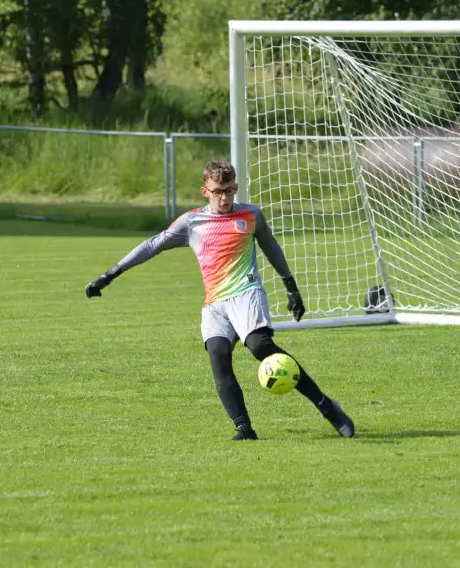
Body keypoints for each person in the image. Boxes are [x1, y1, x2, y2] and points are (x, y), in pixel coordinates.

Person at [85, 160, 354, 441]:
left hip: (246, 293)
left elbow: (271, 247)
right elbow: (153, 244)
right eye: (218, 192)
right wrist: (109, 275)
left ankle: (328, 408)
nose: (225, 198)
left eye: (231, 190)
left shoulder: (251, 215)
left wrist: (291, 287)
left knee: (260, 346)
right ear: (205, 191)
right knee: (218, 354)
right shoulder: (192, 222)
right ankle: (244, 429)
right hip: (215, 303)